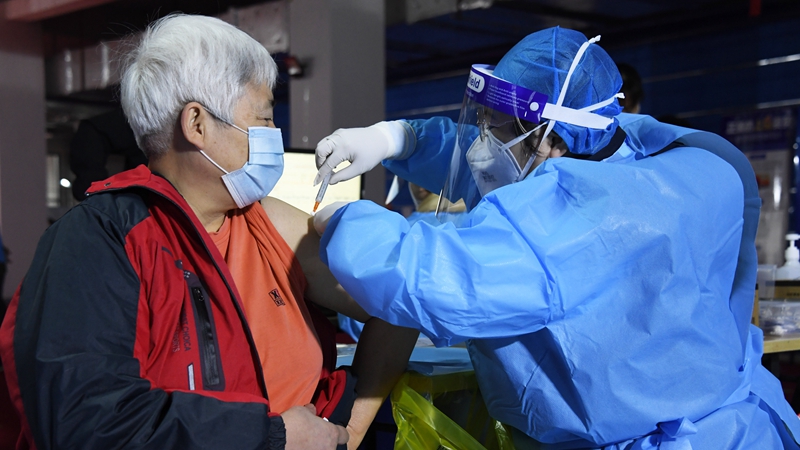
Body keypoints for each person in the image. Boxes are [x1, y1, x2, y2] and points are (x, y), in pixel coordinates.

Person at [312, 27, 800, 448]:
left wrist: (339, 221)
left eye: (494, 129)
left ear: (555, 141)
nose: (481, 144)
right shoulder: (644, 157)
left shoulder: (573, 224)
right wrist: (398, 138)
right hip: (738, 425)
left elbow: (428, 279)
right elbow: (496, 161)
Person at [0, 14, 418, 450]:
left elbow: (405, 295)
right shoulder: (98, 241)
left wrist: (351, 429)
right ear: (197, 124)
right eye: (263, 118)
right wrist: (273, 438)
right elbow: (85, 423)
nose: (274, 134)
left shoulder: (266, 223)